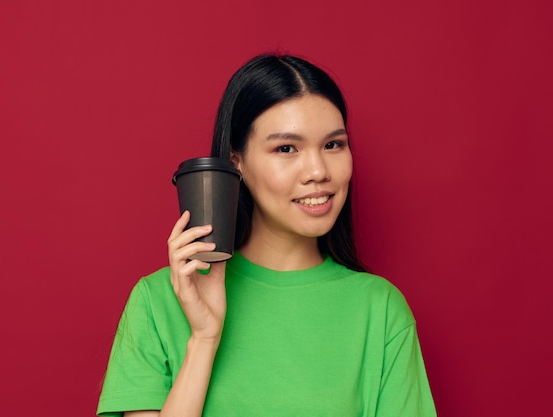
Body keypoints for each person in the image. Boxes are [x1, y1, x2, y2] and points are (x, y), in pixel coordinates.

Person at [97, 54, 436, 417]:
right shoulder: (158, 302)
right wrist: (204, 339)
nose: (318, 171)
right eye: (286, 148)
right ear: (236, 162)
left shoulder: (380, 310)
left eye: (333, 145)